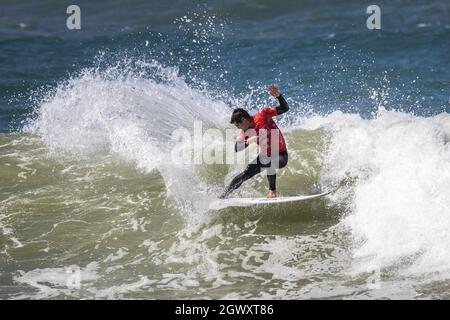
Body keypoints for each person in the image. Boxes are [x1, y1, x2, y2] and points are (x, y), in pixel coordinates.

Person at [219, 84, 289, 199]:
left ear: (243, 119)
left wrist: (279, 96)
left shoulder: (263, 114)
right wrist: (247, 142)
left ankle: (272, 191)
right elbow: (237, 148)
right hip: (265, 156)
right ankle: (224, 194)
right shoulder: (245, 131)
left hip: (281, 155)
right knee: (245, 174)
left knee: (268, 160)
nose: (238, 128)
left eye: (238, 125)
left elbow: (285, 108)